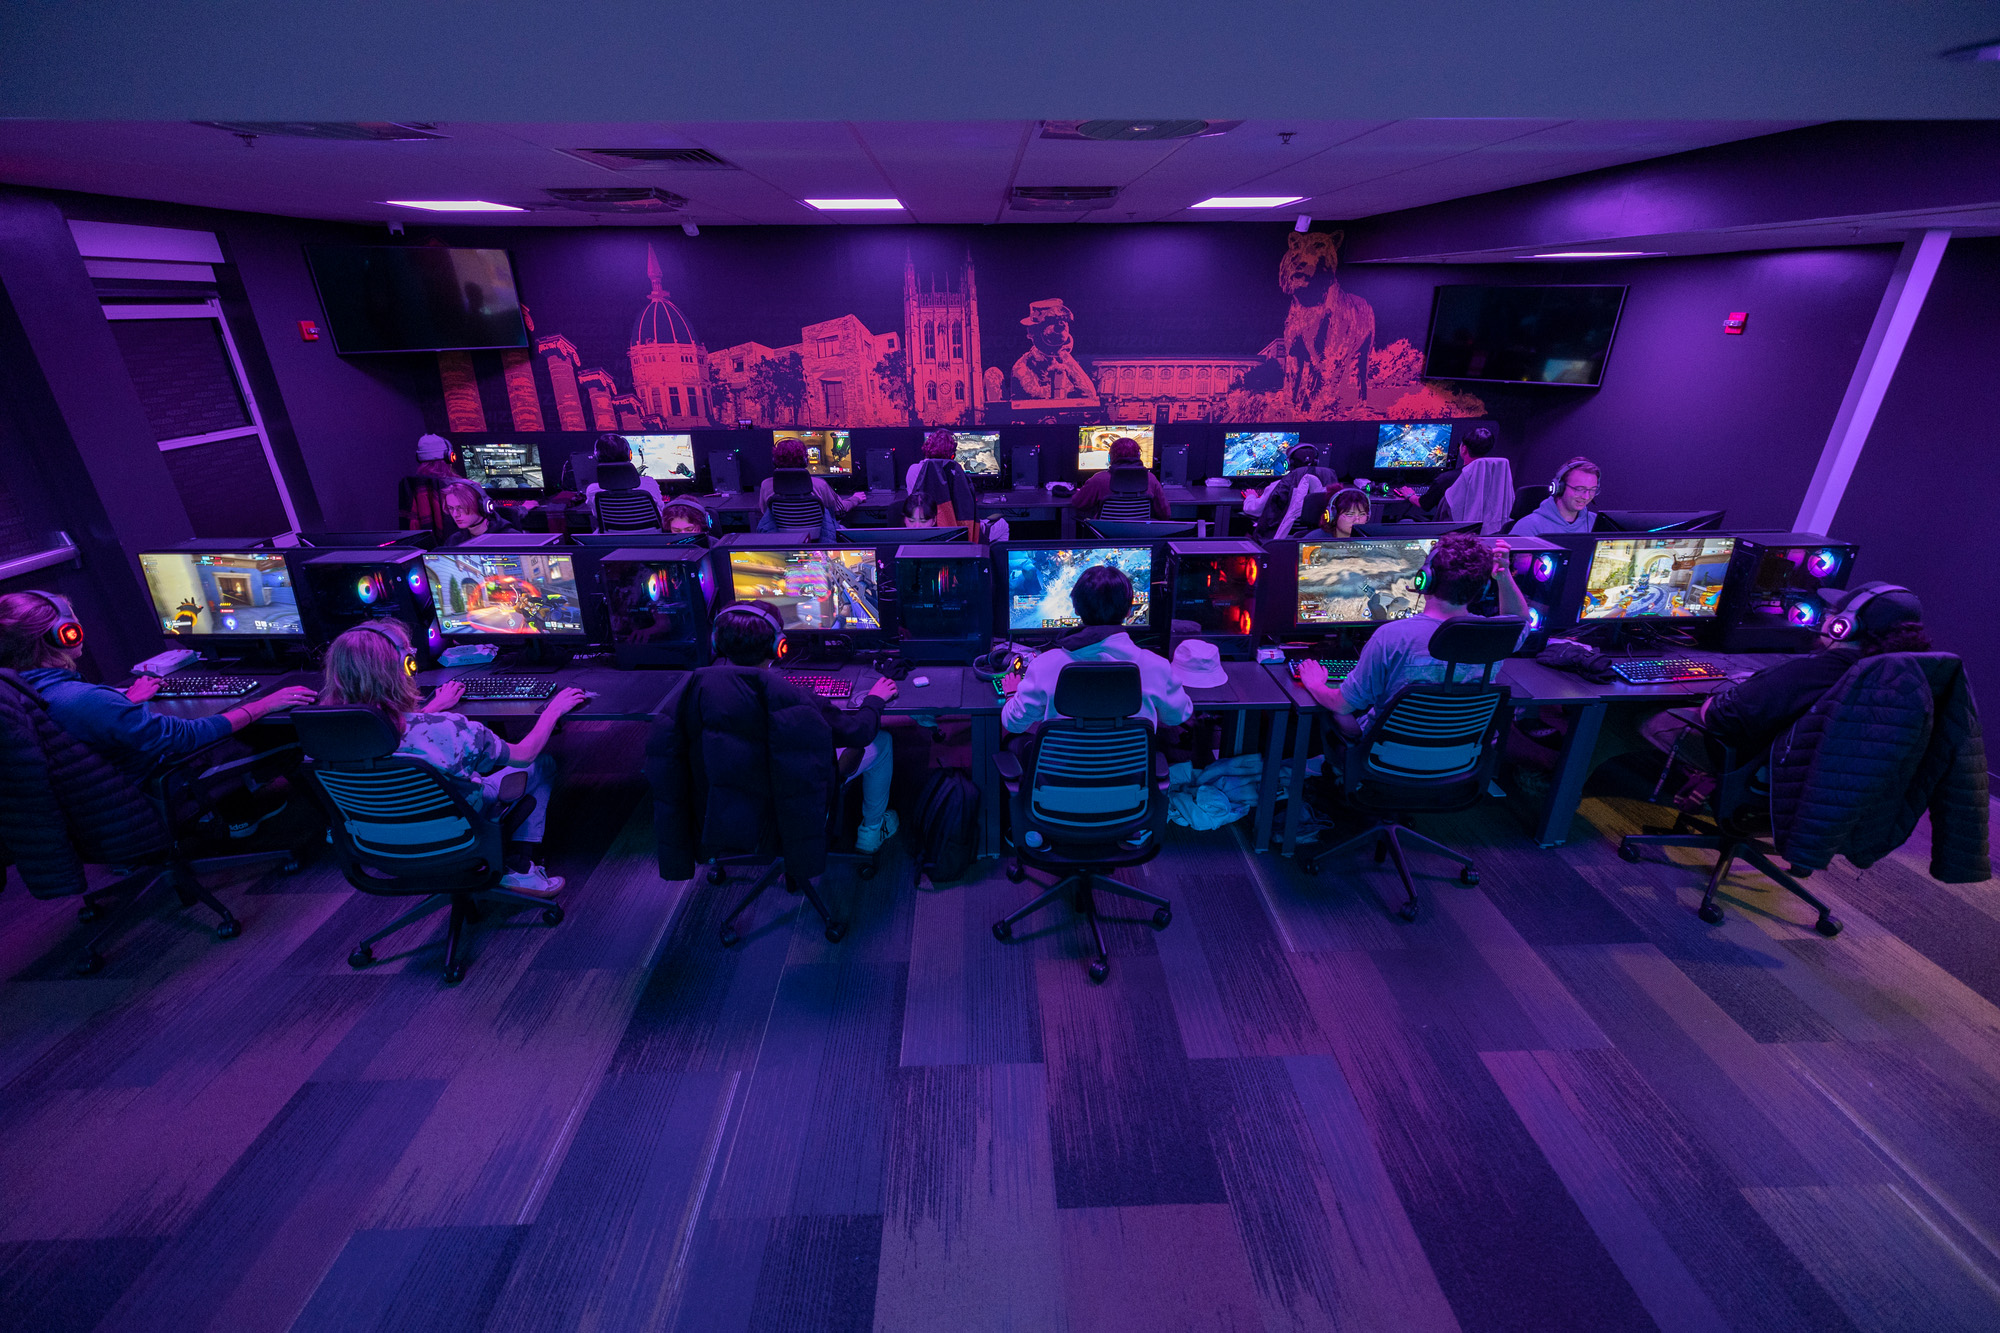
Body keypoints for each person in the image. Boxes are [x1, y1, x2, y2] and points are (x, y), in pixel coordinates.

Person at [2, 590, 316, 833]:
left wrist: (125, 702)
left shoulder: (21, 689)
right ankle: (317, 824)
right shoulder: (81, 700)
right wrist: (262, 704)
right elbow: (186, 736)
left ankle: (240, 812)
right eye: (73, 621)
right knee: (284, 734)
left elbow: (91, 723)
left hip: (96, 802)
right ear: (64, 633)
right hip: (155, 786)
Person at [316, 619, 586, 896]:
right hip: (460, 836)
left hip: (378, 846)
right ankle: (519, 866)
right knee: (542, 763)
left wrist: (432, 708)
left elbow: (394, 734)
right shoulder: (450, 729)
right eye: (409, 654)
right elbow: (525, 753)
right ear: (404, 668)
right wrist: (552, 709)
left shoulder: (322, 738)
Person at [1640, 582, 1931, 786]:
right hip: (1813, 786)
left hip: (1760, 771)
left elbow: (1720, 717)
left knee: (1642, 714)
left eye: (1832, 612)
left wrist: (1721, 696)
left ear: (1842, 626)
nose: (1826, 616)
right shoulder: (1901, 680)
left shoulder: (1814, 672)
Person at [1294, 532, 1531, 741]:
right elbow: (1519, 621)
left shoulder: (1391, 637)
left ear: (1424, 580)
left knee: (1340, 715)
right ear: (1483, 589)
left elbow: (1341, 704)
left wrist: (1315, 683)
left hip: (1385, 758)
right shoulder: (1496, 634)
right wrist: (1503, 577)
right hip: (1461, 761)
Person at [709, 601, 901, 852]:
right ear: (779, 646)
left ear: (716, 643)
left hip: (737, 801)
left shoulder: (703, 692)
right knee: (882, 741)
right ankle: (871, 832)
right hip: (798, 794)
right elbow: (860, 733)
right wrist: (874, 699)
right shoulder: (796, 698)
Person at [1001, 565, 1194, 735]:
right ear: (1129, 611)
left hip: (1066, 765)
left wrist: (1011, 694)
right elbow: (1178, 716)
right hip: (1128, 765)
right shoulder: (1157, 666)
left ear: (1076, 609)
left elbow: (1013, 724)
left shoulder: (1044, 665)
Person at [756, 436, 864, 536]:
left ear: (774, 461)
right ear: (805, 461)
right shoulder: (819, 485)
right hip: (818, 539)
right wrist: (855, 499)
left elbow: (765, 514)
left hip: (783, 540)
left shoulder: (766, 485)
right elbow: (839, 511)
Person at [1245, 442, 1340, 538]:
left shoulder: (1279, 485)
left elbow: (1253, 510)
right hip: (1315, 537)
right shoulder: (1330, 486)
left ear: (1290, 463)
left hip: (1281, 538)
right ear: (1316, 462)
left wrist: (1251, 496)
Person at [1069, 437, 1171, 520]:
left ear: (1110, 457)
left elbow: (1078, 503)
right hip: (1139, 534)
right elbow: (1165, 514)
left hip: (1105, 534)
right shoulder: (1150, 479)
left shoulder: (1099, 479)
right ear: (1138, 456)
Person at [1510, 457, 1600, 537]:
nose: (1586, 496)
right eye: (1579, 489)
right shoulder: (1529, 526)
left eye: (1592, 490)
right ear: (1559, 487)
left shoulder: (1597, 523)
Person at [583, 433, 665, 513]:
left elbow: (596, 514)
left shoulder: (593, 490)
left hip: (613, 523)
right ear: (630, 455)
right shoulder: (649, 484)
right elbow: (661, 509)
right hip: (649, 523)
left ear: (596, 457)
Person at [439, 481, 521, 547]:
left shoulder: (511, 538)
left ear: (482, 506)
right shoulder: (453, 541)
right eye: (451, 508)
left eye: (461, 507)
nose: (455, 514)